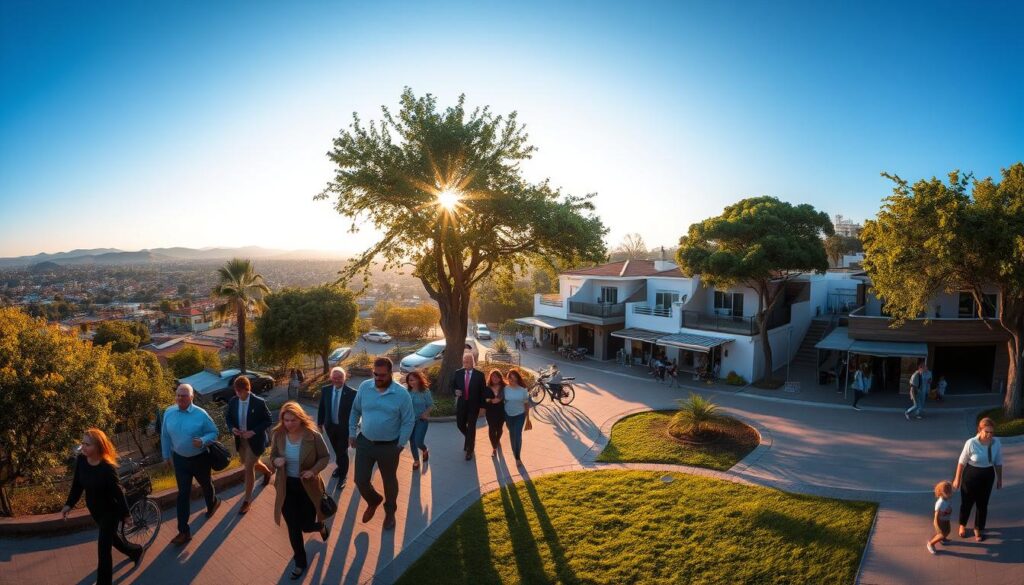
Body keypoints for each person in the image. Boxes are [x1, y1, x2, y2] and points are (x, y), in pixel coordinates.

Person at [61, 428, 144, 585]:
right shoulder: (81, 460)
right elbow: (77, 485)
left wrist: (126, 515)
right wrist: (69, 504)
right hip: (95, 510)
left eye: (88, 444)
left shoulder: (107, 468)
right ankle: (136, 551)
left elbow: (118, 493)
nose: (83, 447)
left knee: (103, 549)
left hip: (110, 511)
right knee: (112, 539)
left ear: (98, 446)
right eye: (82, 443)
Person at [349, 357, 414, 530]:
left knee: (389, 481)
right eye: (375, 374)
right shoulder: (365, 387)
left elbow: (408, 421)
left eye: (382, 375)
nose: (378, 378)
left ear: (391, 373)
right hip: (365, 442)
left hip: (389, 446)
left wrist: (400, 444)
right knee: (360, 479)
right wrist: (351, 433)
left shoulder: (401, 394)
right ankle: (374, 500)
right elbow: (355, 410)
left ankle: (390, 513)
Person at [270, 402, 331, 580]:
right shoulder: (278, 435)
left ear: (300, 418)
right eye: (286, 420)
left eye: (293, 420)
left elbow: (325, 457)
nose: (289, 424)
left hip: (308, 487)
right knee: (293, 527)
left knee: (305, 525)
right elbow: (271, 456)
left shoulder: (313, 436)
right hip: (286, 487)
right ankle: (300, 562)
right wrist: (275, 462)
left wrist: (313, 471)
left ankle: (319, 525)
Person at [161, 383, 220, 545]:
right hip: (180, 460)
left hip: (200, 459)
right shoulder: (169, 412)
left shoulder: (201, 414)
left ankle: (213, 503)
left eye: (184, 395)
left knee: (206, 485)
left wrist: (202, 440)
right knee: (183, 495)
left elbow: (214, 432)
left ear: (192, 397)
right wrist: (166, 456)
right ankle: (184, 531)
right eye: (178, 395)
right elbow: (165, 436)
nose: (180, 398)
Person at [224, 376, 274, 515]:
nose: (238, 394)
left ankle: (247, 501)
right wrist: (232, 428)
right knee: (250, 462)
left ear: (248, 389)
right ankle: (267, 472)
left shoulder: (259, 402)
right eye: (236, 391)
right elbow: (228, 418)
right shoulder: (233, 401)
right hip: (241, 441)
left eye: (241, 392)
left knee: (248, 467)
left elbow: (268, 420)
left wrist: (253, 432)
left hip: (255, 440)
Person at [953, 417, 1003, 542]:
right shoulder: (971, 443)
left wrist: (999, 479)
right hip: (971, 475)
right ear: (980, 430)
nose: (989, 435)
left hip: (987, 475)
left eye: (991, 432)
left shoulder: (996, 443)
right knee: (967, 503)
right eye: (986, 431)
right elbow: (961, 462)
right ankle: (962, 525)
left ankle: (978, 527)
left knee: (982, 504)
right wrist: (957, 479)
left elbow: (998, 462)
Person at [317, 367, 357, 485]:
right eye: (334, 377)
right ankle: (340, 468)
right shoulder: (326, 390)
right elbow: (322, 408)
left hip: (344, 429)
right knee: (337, 451)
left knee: (342, 452)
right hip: (330, 427)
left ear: (345, 378)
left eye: (340, 377)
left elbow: (356, 413)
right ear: (331, 378)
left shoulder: (352, 393)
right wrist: (320, 424)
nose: (337, 380)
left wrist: (353, 431)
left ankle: (343, 476)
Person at [452, 352, 485, 460]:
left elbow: (482, 392)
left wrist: (482, 407)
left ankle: (469, 450)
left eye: (467, 362)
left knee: (471, 428)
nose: (465, 364)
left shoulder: (479, 375)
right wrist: (455, 391)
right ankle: (470, 439)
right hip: (462, 405)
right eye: (464, 362)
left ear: (472, 362)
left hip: (473, 406)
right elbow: (452, 386)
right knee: (460, 425)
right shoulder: (458, 373)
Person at [405, 371, 433, 470]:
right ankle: (416, 461)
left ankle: (425, 450)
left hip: (421, 420)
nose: (410, 382)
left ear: (418, 379)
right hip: (409, 421)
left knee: (418, 441)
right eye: (409, 380)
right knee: (411, 441)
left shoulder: (425, 391)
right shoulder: (406, 392)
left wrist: (425, 413)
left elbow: (430, 405)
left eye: (413, 380)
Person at [503, 368, 530, 467]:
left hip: (520, 415)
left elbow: (526, 404)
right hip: (508, 415)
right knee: (512, 434)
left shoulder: (523, 390)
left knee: (517, 435)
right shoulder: (505, 389)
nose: (512, 381)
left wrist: (527, 417)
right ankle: (515, 452)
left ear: (518, 379)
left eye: (514, 379)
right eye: (510, 379)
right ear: (508, 379)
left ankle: (517, 457)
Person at [482, 369, 506, 457]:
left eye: (497, 377)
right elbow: (484, 399)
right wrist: (488, 400)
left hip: (501, 410)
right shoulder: (487, 387)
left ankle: (497, 440)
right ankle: (494, 447)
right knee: (492, 429)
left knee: (499, 428)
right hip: (490, 411)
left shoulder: (504, 387)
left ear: (500, 378)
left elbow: (497, 400)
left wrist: (490, 400)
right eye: (493, 377)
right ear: (490, 377)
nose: (495, 378)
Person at [927, 480, 953, 554]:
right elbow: (938, 515)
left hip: (945, 520)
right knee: (942, 533)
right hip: (940, 521)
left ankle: (942, 539)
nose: (951, 493)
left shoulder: (946, 499)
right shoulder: (940, 503)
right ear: (943, 493)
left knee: (947, 530)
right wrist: (946, 512)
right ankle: (931, 544)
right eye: (949, 492)